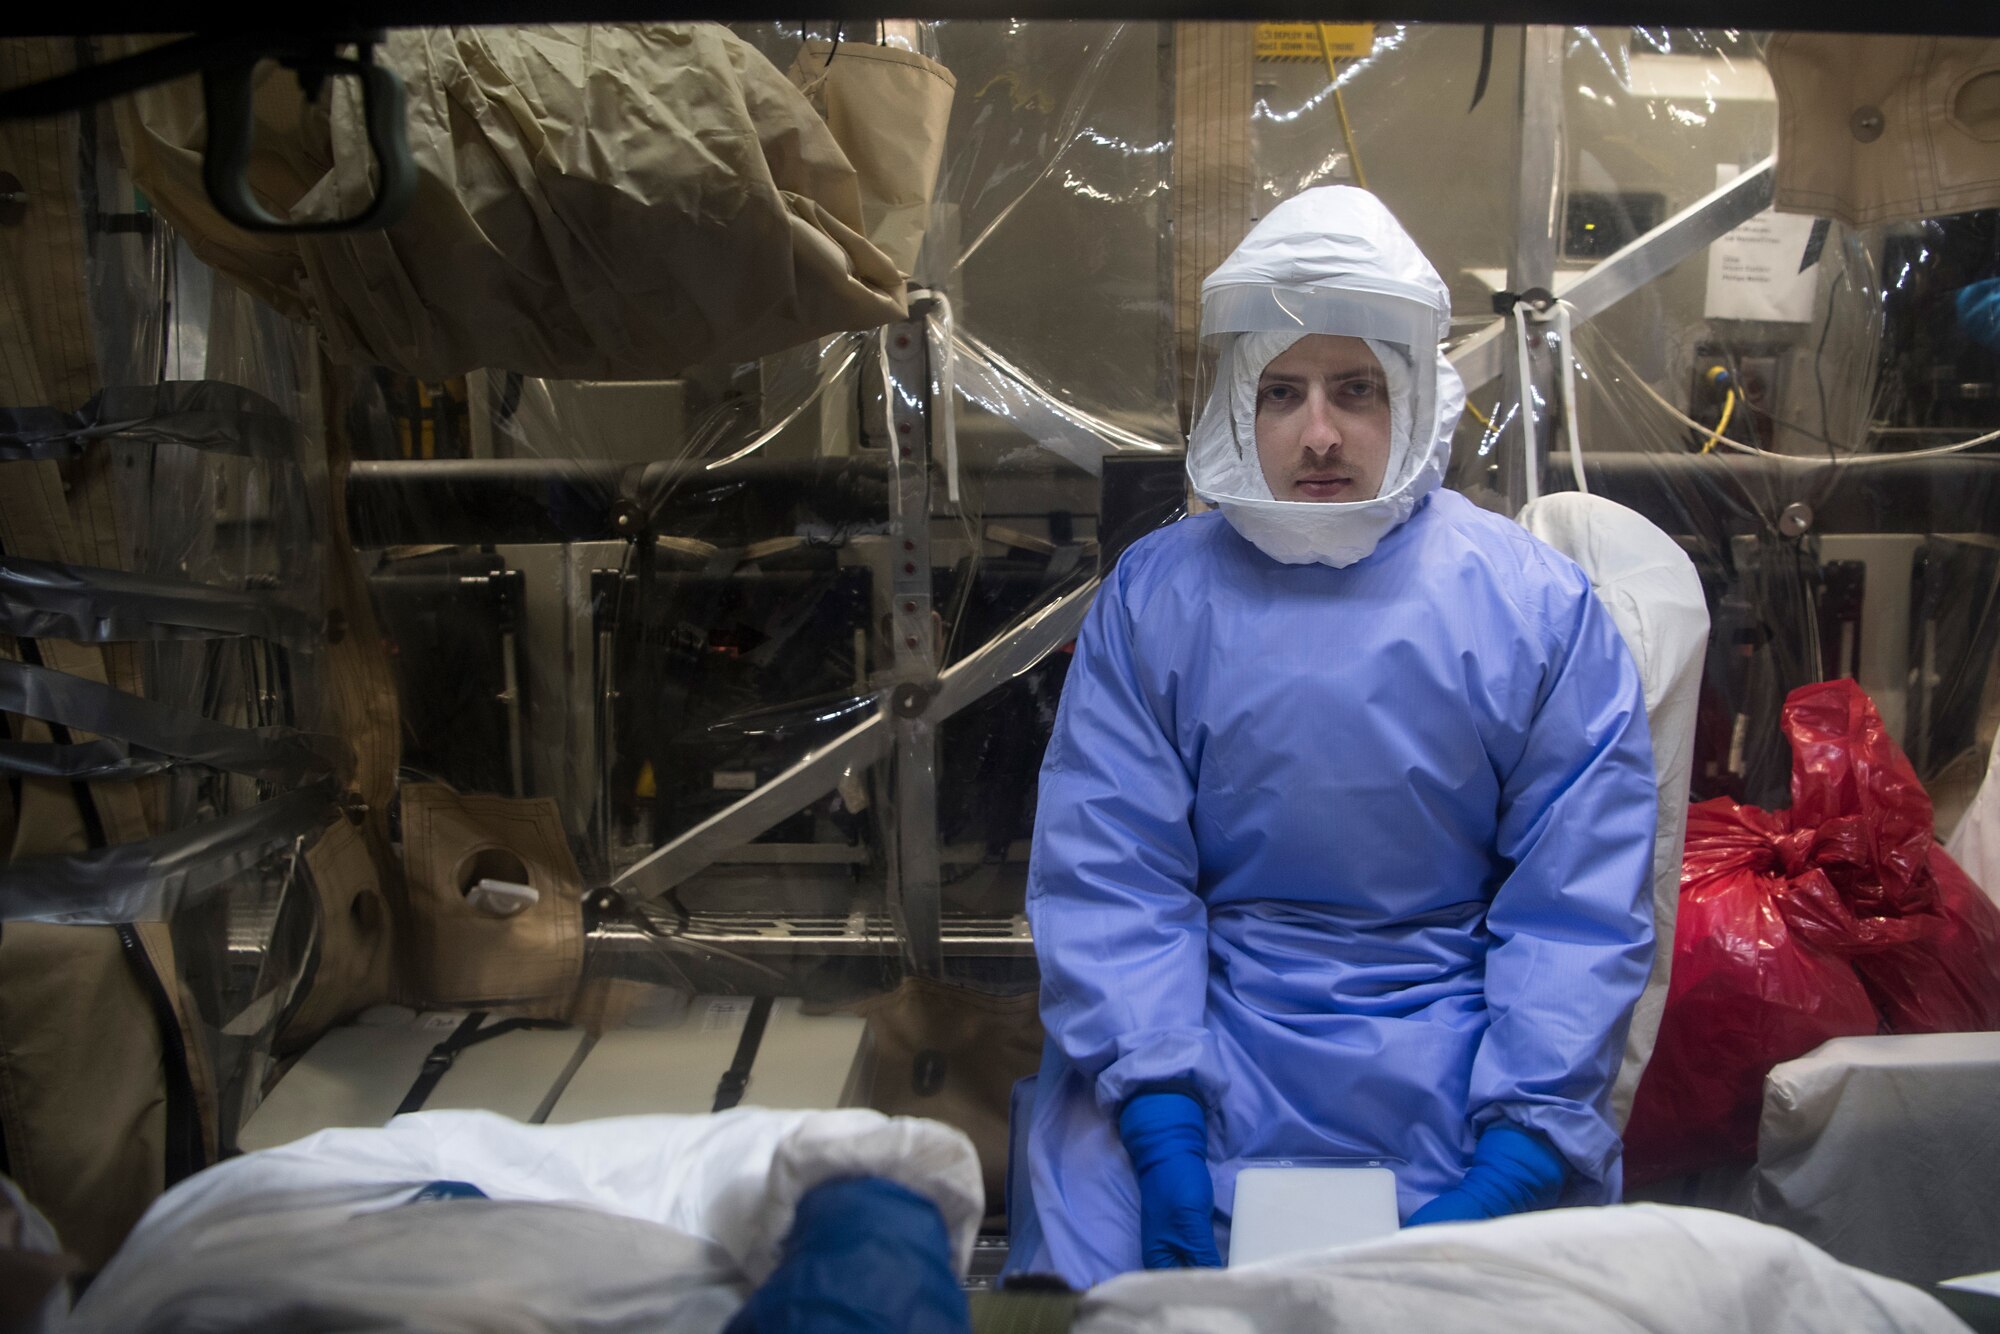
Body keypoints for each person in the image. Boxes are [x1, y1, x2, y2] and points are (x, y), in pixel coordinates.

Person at [1006, 186, 1659, 1286]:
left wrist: (1518, 1143)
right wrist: (1160, 1120)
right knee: (1102, 1231)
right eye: (1281, 391)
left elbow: (1575, 912)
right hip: (1193, 1027)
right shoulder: (1154, 599)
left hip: (1459, 1040)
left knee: (1500, 1285)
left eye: (1354, 389)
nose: (1317, 431)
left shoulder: (1535, 611)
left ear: (1413, 397)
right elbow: (1115, 879)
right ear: (1234, 409)